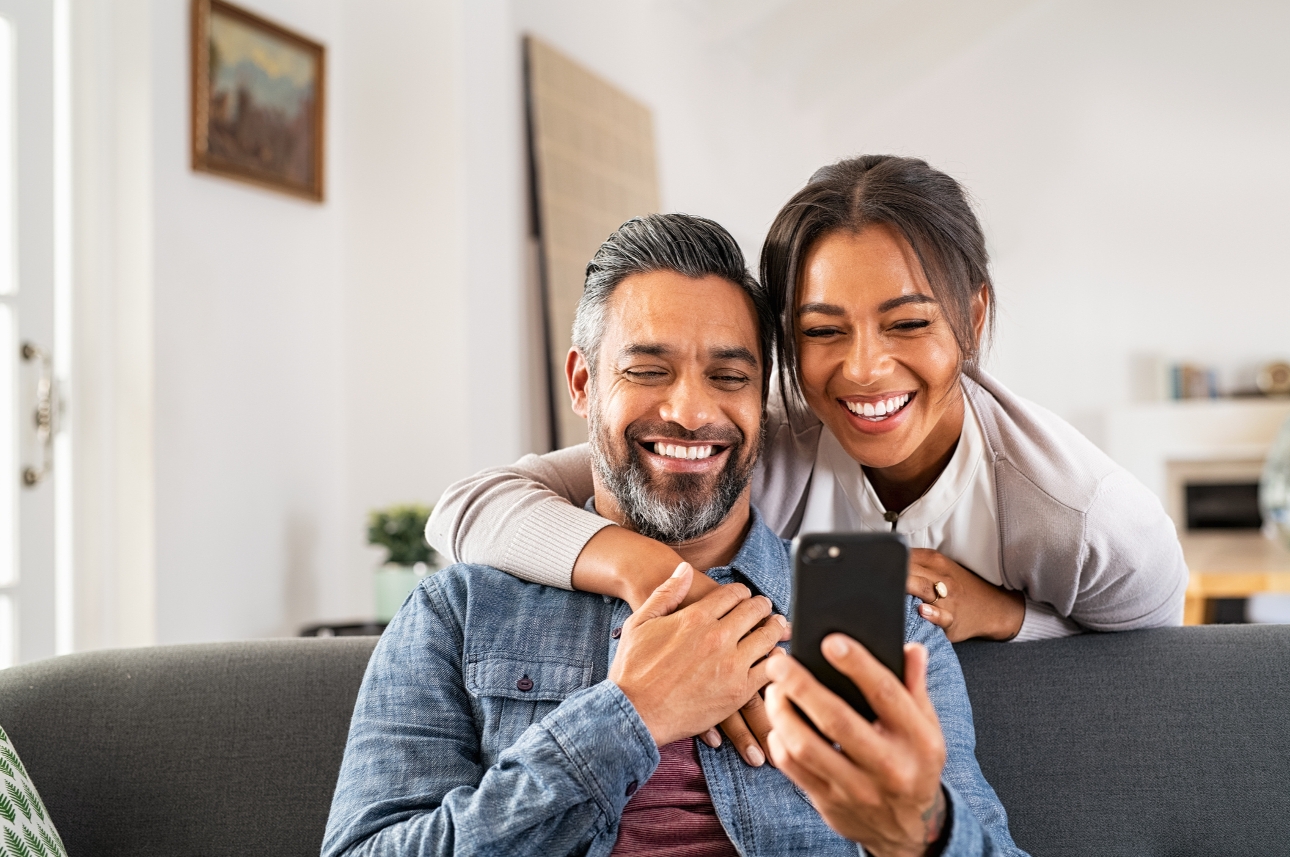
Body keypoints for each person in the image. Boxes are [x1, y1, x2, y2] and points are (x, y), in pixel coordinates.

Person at [426, 155, 1188, 765]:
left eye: (908, 322)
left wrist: (1006, 616)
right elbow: (471, 506)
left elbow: (1155, 649)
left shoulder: (1079, 512)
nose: (863, 370)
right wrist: (663, 577)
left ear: (973, 314)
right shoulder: (762, 444)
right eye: (824, 331)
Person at [324, 214, 1025, 857]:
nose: (691, 410)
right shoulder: (458, 613)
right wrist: (627, 716)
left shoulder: (894, 631)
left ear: (762, 400)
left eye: (728, 376)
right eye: (648, 370)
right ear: (582, 381)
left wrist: (926, 830)